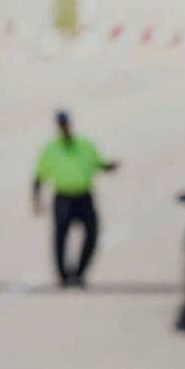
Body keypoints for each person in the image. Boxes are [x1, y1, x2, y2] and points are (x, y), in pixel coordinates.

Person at [30, 111, 117, 289]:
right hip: (63, 197)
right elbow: (39, 175)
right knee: (60, 237)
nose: (63, 127)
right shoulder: (51, 148)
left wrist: (109, 167)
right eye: (60, 125)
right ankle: (62, 276)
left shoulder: (84, 144)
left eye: (65, 124)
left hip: (84, 196)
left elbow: (97, 164)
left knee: (92, 233)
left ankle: (79, 273)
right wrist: (36, 199)